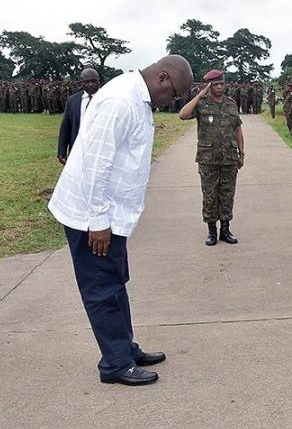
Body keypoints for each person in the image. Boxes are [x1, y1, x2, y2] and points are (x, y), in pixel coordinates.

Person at [48, 54, 193, 386]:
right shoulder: (119, 100)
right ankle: (115, 363)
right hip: (93, 216)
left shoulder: (135, 95)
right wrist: (97, 220)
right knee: (101, 288)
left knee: (115, 281)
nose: (173, 102)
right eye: (174, 94)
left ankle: (125, 348)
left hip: (111, 215)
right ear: (163, 78)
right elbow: (96, 164)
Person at [179, 69, 244, 246]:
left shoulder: (231, 104)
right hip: (208, 159)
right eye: (215, 84)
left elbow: (238, 129)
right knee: (209, 195)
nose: (219, 87)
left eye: (222, 84)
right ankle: (211, 231)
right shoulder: (201, 104)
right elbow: (183, 115)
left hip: (229, 158)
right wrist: (200, 95)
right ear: (209, 86)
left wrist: (242, 153)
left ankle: (225, 229)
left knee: (227, 194)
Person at [57, 68, 102, 164]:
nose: (90, 84)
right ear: (81, 83)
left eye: (94, 81)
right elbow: (66, 126)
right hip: (78, 148)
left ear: (99, 81)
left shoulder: (108, 99)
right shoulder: (72, 100)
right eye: (87, 81)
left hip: (100, 149)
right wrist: (61, 151)